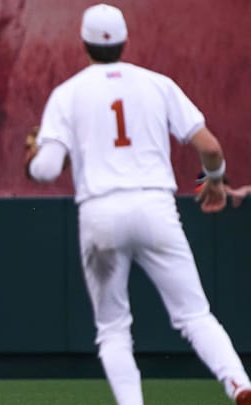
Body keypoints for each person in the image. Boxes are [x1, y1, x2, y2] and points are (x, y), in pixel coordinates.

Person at [25, 4, 251, 405]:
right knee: (195, 315)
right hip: (154, 208)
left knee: (113, 328)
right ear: (125, 41)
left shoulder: (68, 92)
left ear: (84, 43)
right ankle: (238, 383)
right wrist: (214, 181)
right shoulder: (156, 84)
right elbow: (211, 148)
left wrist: (33, 154)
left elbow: (45, 170)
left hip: (100, 214)